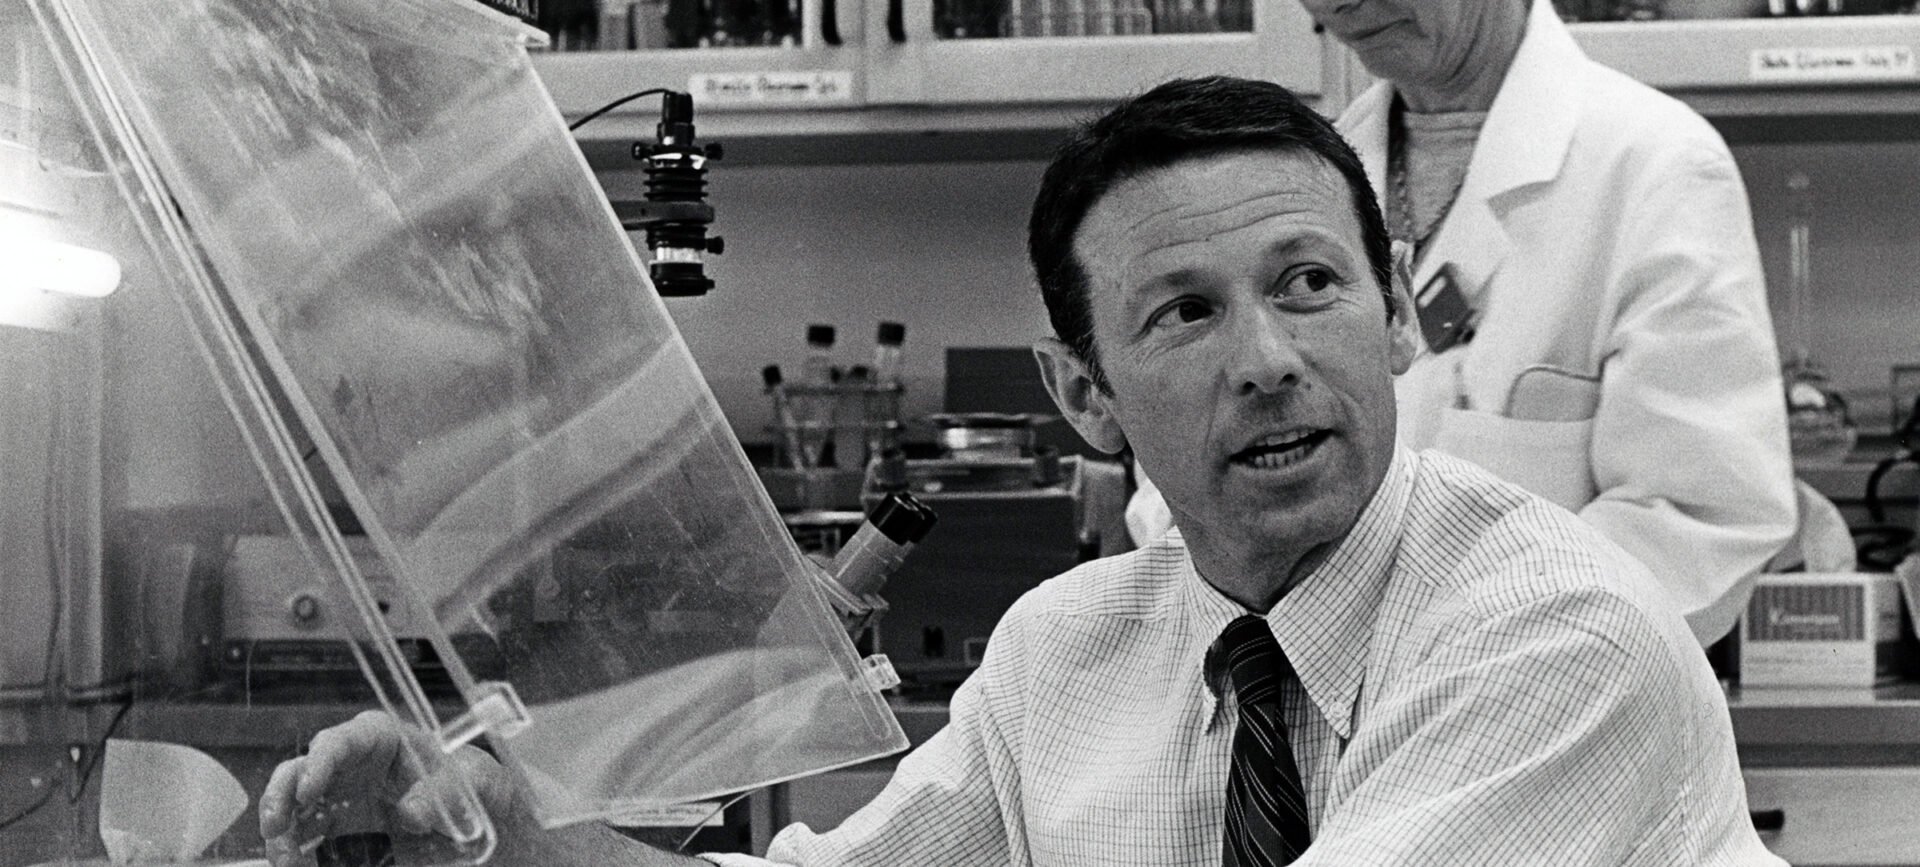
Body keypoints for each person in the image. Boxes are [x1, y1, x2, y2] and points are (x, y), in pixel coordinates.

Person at [261, 77, 1782, 866]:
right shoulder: (1070, 653)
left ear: (1395, 323)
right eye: (1184, 312)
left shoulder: (1548, 634)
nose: (1265, 356)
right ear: (1084, 394)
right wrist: (501, 843)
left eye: (1311, 283)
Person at [1125, 0, 1797, 650]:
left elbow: (1700, 523)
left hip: (1542, 715)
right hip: (1292, 712)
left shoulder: (1653, 165)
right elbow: (1181, 478)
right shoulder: (1306, 174)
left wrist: (1444, 664)